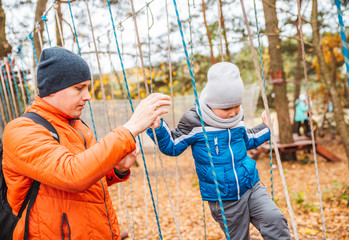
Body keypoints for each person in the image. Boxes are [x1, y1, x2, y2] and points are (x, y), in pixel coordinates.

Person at [2, 46, 171, 239]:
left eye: (88, 87)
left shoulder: (77, 126)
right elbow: (72, 175)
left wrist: (117, 170)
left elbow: (91, 177)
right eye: (79, 88)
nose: (88, 96)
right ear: (52, 89)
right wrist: (131, 127)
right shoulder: (22, 130)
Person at [147, 62, 291, 239]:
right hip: (224, 199)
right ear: (211, 102)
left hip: (251, 186)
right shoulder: (194, 121)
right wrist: (158, 128)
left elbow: (247, 139)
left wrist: (266, 128)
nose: (233, 113)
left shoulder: (237, 118)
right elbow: (173, 146)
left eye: (236, 106)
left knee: (275, 219)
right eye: (226, 108)